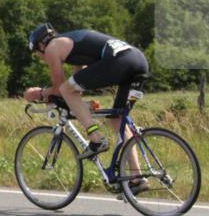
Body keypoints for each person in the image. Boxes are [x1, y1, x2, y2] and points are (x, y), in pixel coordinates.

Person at [23, 24, 150, 189]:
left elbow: (60, 88)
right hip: (138, 60)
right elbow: (78, 85)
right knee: (118, 120)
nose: (41, 58)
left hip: (120, 62)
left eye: (37, 54)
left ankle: (96, 138)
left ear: (41, 45)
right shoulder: (74, 43)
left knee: (65, 89)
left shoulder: (52, 48)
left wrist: (39, 93)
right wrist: (82, 105)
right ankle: (137, 177)